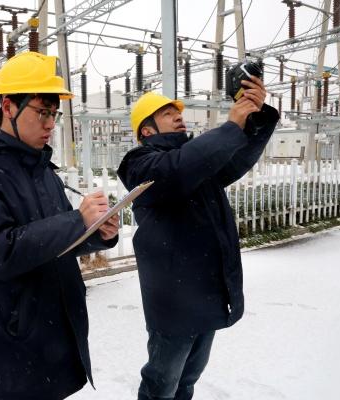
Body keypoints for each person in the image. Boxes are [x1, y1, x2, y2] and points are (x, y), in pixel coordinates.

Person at [0, 51, 120, 400]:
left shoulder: (44, 172)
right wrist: (77, 220)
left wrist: (98, 233)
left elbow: (61, 242)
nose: (50, 124)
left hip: (56, 331)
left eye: (54, 114)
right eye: (42, 112)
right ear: (8, 107)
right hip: (16, 344)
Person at [116, 76, 278, 400]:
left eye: (177, 112)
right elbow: (176, 170)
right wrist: (230, 127)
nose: (178, 116)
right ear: (146, 131)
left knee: (188, 378)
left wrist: (255, 116)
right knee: (161, 384)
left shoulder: (197, 162)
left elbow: (236, 157)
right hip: (173, 303)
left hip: (205, 295)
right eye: (167, 114)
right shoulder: (140, 164)